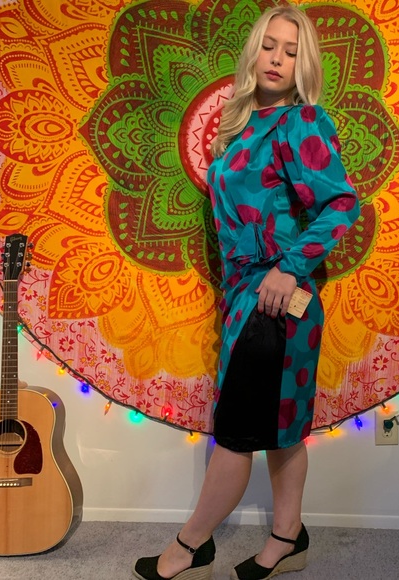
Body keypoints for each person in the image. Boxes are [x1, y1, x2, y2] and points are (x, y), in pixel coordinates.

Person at [133, 4, 360, 580]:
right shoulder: (240, 128)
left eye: (292, 51)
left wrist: (289, 268)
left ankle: (191, 546)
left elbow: (341, 203)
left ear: (303, 63)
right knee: (281, 431)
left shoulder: (300, 122)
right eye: (270, 46)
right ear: (254, 52)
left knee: (236, 435)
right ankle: (288, 537)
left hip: (278, 300)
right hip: (245, 299)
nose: (278, 59)